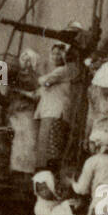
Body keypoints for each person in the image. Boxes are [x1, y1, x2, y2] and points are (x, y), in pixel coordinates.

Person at [34, 38, 84, 171]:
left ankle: (51, 176)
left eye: (59, 53)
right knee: (47, 150)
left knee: (52, 151)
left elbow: (44, 81)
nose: (55, 56)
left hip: (55, 113)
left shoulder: (64, 70)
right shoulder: (58, 72)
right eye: (53, 53)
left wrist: (37, 78)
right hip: (49, 113)